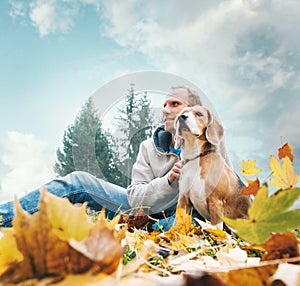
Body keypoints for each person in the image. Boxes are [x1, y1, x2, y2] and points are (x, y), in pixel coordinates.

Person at [0, 86, 231, 228]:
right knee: (79, 181)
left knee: (178, 228)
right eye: (165, 105)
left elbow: (228, 192)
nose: (167, 110)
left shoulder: (212, 143)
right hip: (143, 210)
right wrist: (169, 180)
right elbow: (135, 196)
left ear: (195, 112)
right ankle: (3, 216)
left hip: (185, 219)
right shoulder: (148, 147)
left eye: (175, 104)